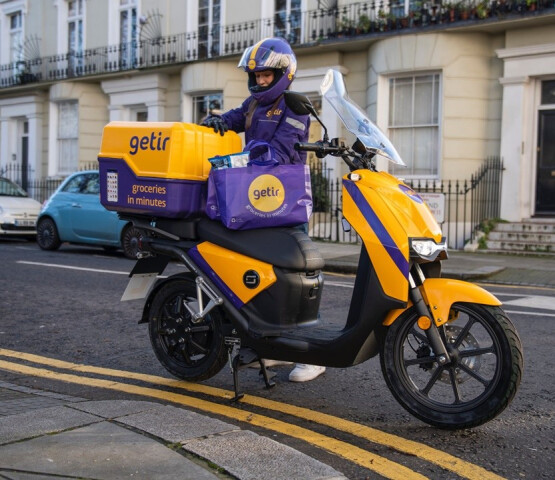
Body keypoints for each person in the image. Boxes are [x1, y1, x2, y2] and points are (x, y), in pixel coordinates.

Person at [201, 37, 325, 383]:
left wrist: (243, 158)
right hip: (256, 198)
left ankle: (312, 355)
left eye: (267, 75)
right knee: (263, 275)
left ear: (284, 75)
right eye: (256, 75)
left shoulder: (295, 107)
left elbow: (281, 152)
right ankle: (274, 348)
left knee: (297, 274)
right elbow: (233, 118)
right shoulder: (253, 104)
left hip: (285, 200)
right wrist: (215, 122)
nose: (260, 81)